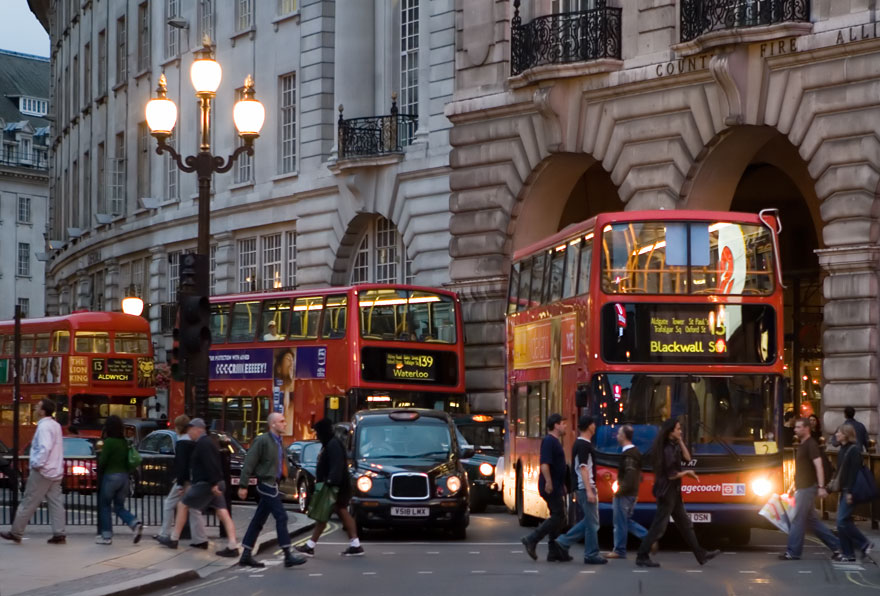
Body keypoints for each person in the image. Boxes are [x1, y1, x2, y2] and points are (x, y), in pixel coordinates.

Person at [635, 417, 720, 568]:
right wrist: (687, 473)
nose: (681, 431)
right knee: (659, 526)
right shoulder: (666, 449)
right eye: (678, 429)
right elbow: (671, 474)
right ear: (670, 432)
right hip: (667, 492)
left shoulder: (673, 446)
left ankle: (701, 555)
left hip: (673, 491)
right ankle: (642, 555)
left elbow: (687, 458)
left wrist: (680, 441)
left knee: (685, 524)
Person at [157, 418, 240, 557]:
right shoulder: (209, 442)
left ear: (198, 429)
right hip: (216, 482)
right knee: (222, 513)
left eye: (191, 430)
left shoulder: (203, 444)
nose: (189, 433)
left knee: (183, 504)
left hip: (206, 484)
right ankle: (232, 545)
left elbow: (210, 464)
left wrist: (213, 484)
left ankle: (173, 539)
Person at [238, 413, 307, 568]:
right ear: (273, 424)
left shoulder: (279, 442)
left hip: (274, 484)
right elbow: (249, 462)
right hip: (266, 484)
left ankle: (246, 555)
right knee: (281, 517)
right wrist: (243, 485)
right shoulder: (262, 441)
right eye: (281, 421)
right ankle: (288, 554)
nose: (285, 423)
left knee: (258, 520)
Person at [1, 399, 66, 544]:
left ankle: (16, 532)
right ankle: (59, 532)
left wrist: (37, 463)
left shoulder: (43, 427)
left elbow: (44, 448)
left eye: (37, 406)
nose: (35, 408)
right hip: (55, 470)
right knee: (55, 502)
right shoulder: (56, 425)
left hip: (43, 470)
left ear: (42, 411)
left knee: (29, 501)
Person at [296, 418, 363, 557]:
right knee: (332, 513)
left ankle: (311, 546)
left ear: (323, 432)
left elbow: (336, 465)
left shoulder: (333, 445)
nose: (317, 435)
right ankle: (355, 544)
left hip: (335, 486)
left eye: (318, 432)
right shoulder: (331, 443)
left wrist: (331, 482)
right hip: (336, 485)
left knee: (326, 513)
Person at [779, 417, 841, 560]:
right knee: (812, 521)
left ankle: (793, 552)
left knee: (797, 519)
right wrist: (793, 487)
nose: (795, 429)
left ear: (806, 428)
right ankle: (837, 547)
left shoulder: (811, 444)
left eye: (798, 427)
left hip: (807, 488)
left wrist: (820, 487)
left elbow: (818, 465)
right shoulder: (803, 445)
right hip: (802, 487)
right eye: (795, 427)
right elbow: (803, 469)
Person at [152, 414, 208, 549]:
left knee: (169, 503)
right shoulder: (194, 441)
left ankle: (165, 533)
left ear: (178, 427)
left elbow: (182, 464)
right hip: (195, 479)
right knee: (194, 508)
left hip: (185, 480)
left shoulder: (182, 443)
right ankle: (200, 539)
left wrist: (179, 483)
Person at [555, 415, 605, 564]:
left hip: (584, 487)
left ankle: (563, 541)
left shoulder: (581, 444)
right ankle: (590, 553)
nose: (595, 426)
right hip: (585, 487)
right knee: (593, 523)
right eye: (593, 423)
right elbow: (583, 467)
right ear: (589, 426)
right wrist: (589, 490)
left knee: (591, 521)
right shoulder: (583, 445)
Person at [521, 413, 568, 562]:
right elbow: (544, 464)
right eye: (563, 423)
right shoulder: (549, 441)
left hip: (556, 485)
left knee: (559, 516)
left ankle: (553, 551)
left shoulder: (555, 441)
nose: (565, 426)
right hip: (550, 485)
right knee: (558, 515)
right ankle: (532, 539)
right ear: (556, 425)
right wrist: (548, 482)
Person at [95, 415, 143, 545]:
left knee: (105, 505)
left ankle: (106, 536)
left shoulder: (109, 442)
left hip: (111, 476)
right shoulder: (124, 442)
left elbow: (103, 460)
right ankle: (134, 522)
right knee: (119, 506)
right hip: (124, 478)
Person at [607, 424, 649, 559]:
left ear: (624, 436)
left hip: (625, 494)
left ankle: (619, 550)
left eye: (619, 433)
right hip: (632, 493)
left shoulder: (629, 455)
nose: (617, 436)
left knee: (619, 522)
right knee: (625, 521)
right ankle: (648, 537)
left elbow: (630, 475)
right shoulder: (635, 453)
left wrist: (619, 491)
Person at [834, 424, 874, 561]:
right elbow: (840, 472)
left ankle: (864, 543)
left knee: (841, 521)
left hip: (849, 490)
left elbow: (853, 473)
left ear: (846, 434)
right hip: (844, 488)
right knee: (844, 521)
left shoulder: (854, 450)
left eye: (839, 432)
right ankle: (848, 553)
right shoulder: (842, 449)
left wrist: (849, 491)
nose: (836, 435)